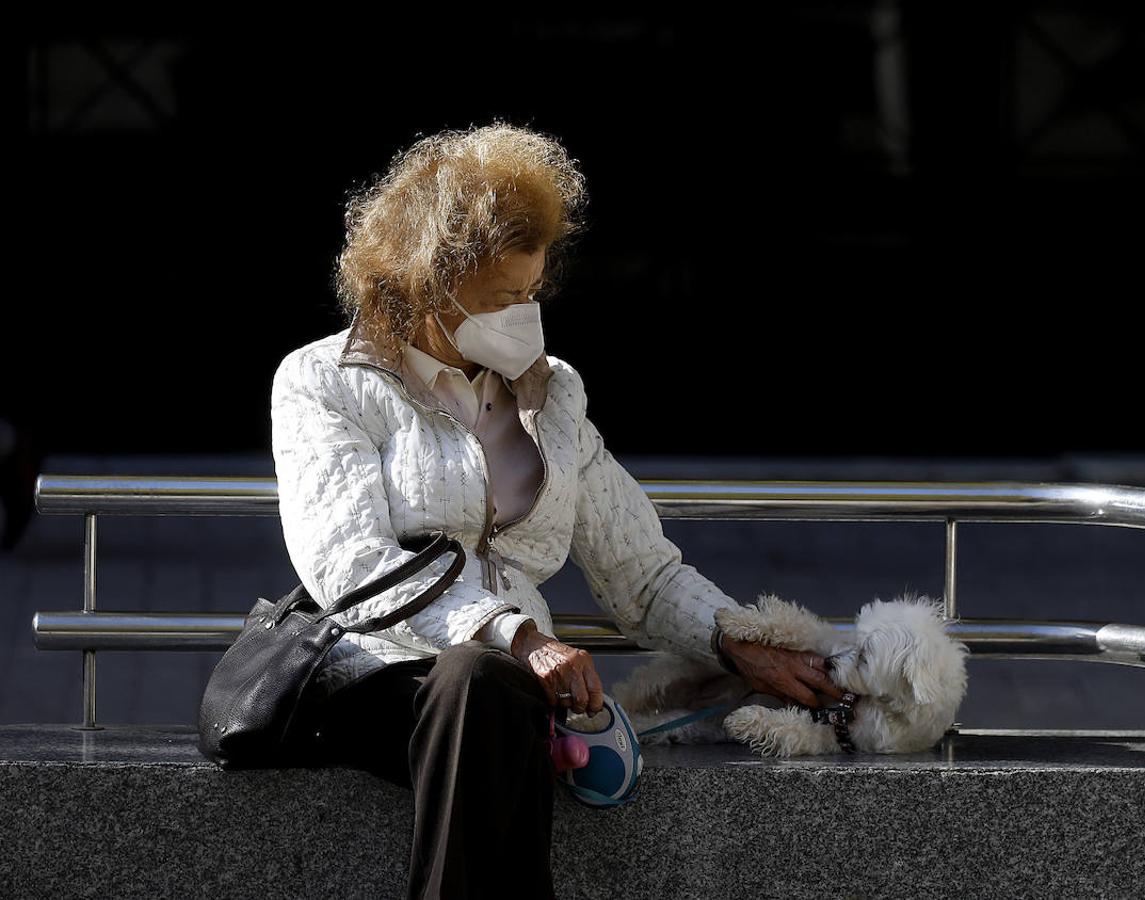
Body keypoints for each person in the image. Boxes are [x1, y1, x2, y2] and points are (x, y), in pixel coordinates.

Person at [271, 121, 845, 900]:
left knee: (491, 698)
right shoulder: (323, 381)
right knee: (480, 683)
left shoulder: (555, 392)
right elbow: (349, 565)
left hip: (504, 698)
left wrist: (739, 643)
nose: (522, 314)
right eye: (499, 297)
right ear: (422, 282)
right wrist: (517, 634)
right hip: (374, 676)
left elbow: (637, 569)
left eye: (530, 291)